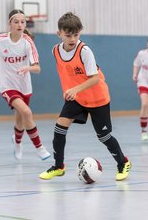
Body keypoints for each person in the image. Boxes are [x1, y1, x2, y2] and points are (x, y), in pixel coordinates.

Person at [39, 12, 131, 181]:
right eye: (68, 35)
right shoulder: (55, 51)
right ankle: (59, 167)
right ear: (58, 34)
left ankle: (123, 163)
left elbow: (95, 78)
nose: (73, 38)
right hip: (77, 97)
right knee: (60, 127)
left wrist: (74, 88)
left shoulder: (85, 51)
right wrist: (71, 90)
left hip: (97, 97)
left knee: (103, 136)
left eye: (76, 34)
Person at [0, 9, 51, 161]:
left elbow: (37, 68)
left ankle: (17, 144)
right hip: (7, 86)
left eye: (23, 22)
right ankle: (40, 148)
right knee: (27, 112)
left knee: (20, 120)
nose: (20, 24)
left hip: (24, 86)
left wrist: (27, 68)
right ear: (9, 23)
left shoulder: (28, 42)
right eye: (16, 21)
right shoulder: (0, 39)